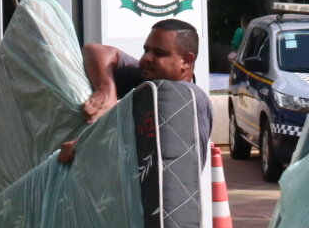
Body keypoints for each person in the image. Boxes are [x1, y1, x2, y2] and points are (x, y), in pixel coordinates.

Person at [74, 19, 214, 151]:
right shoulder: (150, 78)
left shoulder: (187, 105)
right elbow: (95, 51)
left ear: (186, 61)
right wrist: (106, 89)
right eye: (146, 50)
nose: (147, 58)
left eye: (159, 53)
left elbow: (145, 156)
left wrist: (82, 147)